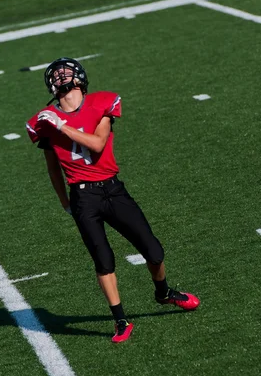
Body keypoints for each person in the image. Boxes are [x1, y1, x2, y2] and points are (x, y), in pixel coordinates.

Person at [26, 57, 200, 344]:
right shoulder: (43, 120)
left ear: (80, 78)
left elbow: (96, 144)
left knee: (153, 251)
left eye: (65, 72)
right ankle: (120, 320)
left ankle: (164, 293)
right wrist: (64, 202)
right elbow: (52, 167)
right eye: (55, 74)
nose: (60, 77)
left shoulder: (101, 103)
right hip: (83, 196)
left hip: (112, 189)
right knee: (103, 260)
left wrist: (62, 126)